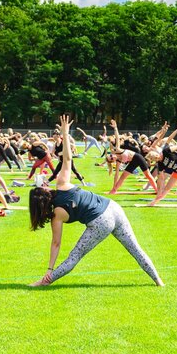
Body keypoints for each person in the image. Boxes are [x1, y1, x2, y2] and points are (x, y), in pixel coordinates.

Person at [28, 115, 164, 287]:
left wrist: (50, 268)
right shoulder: (61, 184)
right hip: (114, 208)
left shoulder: (57, 215)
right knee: (135, 249)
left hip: (101, 220)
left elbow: (56, 243)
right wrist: (65, 132)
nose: (46, 185)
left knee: (74, 257)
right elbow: (68, 160)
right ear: (44, 193)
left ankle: (44, 282)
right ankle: (158, 281)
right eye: (43, 186)